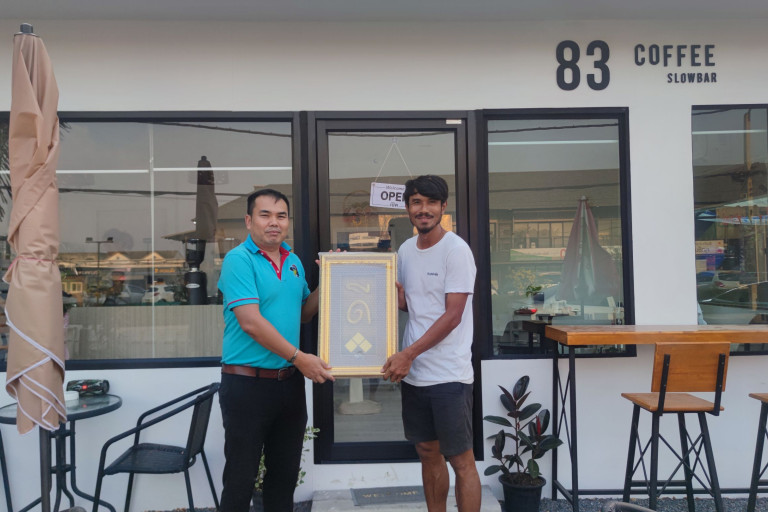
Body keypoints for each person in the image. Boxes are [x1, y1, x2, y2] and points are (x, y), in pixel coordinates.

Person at [218, 188, 334, 512]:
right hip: (247, 385)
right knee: (240, 479)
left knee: (284, 479)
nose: (274, 222)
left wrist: (331, 276)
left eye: (281, 216)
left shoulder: (293, 262)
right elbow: (250, 322)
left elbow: (305, 313)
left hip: (289, 385)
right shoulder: (238, 260)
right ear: (249, 221)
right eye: (265, 215)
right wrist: (299, 358)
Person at [381, 175, 481, 512]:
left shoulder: (456, 251)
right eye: (416, 202)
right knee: (427, 451)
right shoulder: (406, 251)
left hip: (449, 375)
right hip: (415, 375)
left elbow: (453, 316)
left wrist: (407, 354)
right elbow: (415, 306)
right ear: (408, 208)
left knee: (461, 460)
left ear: (443, 207)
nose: (423, 210)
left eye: (431, 203)